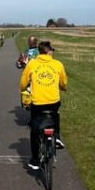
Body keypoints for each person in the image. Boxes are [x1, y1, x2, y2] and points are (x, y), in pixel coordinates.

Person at [19, 40, 67, 170]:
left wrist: (24, 88)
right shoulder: (57, 64)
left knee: (34, 128)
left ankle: (35, 160)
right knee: (55, 114)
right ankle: (57, 136)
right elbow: (63, 83)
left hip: (37, 103)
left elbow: (23, 84)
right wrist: (62, 88)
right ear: (49, 52)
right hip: (53, 101)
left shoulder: (32, 64)